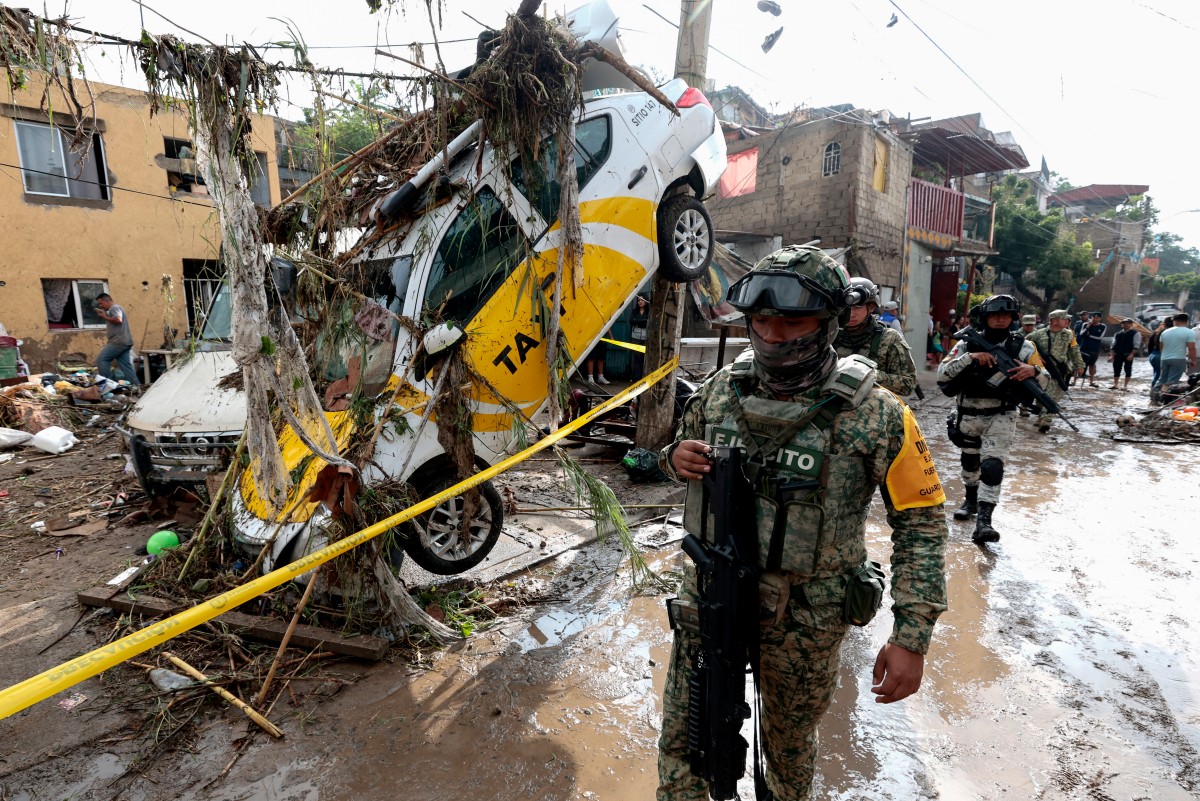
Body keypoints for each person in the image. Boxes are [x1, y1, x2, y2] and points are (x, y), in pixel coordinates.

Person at [656, 245, 948, 801]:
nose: (774, 335)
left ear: (829, 322)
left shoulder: (880, 413)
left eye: (793, 321)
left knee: (787, 759)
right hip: (712, 600)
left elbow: (921, 525)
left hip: (805, 618)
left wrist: (912, 635)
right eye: (762, 320)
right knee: (687, 746)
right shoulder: (720, 392)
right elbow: (680, 453)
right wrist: (677, 460)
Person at [937, 295, 1045, 542]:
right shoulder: (966, 344)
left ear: (1013, 318)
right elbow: (942, 375)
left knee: (992, 466)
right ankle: (971, 500)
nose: (1000, 319)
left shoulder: (1024, 347)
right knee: (970, 460)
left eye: (1006, 315)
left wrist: (1034, 370)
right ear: (985, 317)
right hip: (968, 413)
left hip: (1002, 413)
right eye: (995, 314)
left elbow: (1044, 378)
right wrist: (970, 358)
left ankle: (985, 521)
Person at [833, 276, 918, 395]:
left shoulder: (889, 339)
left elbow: (907, 384)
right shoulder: (830, 334)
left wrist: (866, 374)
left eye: (857, 306)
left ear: (871, 307)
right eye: (847, 308)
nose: (851, 313)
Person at [1026, 310, 1085, 433]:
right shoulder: (1038, 334)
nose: (1067, 321)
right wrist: (1036, 355)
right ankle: (1041, 416)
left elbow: (1074, 351)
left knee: (1054, 395)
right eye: (1064, 319)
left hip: (1059, 370)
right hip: (1040, 370)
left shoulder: (1069, 334)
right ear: (1054, 321)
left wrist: (1079, 365)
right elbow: (1023, 345)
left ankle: (1046, 420)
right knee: (1041, 394)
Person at [94, 293, 140, 388]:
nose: (100, 306)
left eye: (101, 303)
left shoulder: (114, 308)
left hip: (118, 342)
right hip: (125, 342)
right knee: (125, 365)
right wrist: (105, 315)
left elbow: (118, 320)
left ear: (106, 301)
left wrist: (104, 317)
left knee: (101, 360)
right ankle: (136, 386)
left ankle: (108, 385)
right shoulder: (113, 309)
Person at [1151, 313, 1197, 402]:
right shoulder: (1189, 332)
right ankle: (1166, 399)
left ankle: (1154, 396)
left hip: (1164, 359)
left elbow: (1161, 347)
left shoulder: (1165, 332)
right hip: (1178, 359)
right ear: (1186, 321)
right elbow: (1191, 348)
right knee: (1172, 380)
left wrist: (1165, 355)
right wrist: (1193, 360)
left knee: (1162, 379)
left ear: (1175, 321)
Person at [1109, 318, 1141, 391]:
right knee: (1116, 369)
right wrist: (1112, 355)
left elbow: (1136, 344)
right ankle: (1115, 384)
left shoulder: (1135, 333)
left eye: (1128, 323)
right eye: (1124, 323)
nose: (1126, 324)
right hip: (1118, 353)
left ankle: (1125, 385)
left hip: (1128, 353)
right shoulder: (1117, 334)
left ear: (1131, 324)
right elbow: (1113, 344)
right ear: (1121, 324)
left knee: (1128, 369)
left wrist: (1132, 354)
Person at [1076, 312, 1105, 387]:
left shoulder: (1103, 326)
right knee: (1080, 364)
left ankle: (1091, 382)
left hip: (1094, 349)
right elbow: (1081, 334)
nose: (1095, 319)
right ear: (1092, 318)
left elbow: (1100, 338)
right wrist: (1088, 327)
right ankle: (1074, 381)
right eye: (1094, 317)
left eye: (1097, 318)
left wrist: (1090, 335)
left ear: (1100, 319)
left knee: (1092, 365)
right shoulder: (1085, 324)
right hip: (1084, 347)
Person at [629, 295, 649, 379]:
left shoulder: (649, 311)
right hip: (635, 337)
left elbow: (648, 322)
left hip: (646, 338)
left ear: (646, 301)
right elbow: (631, 321)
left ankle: (644, 377)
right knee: (637, 358)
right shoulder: (634, 311)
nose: (640, 302)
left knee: (645, 358)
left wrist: (639, 321)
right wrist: (643, 321)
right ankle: (636, 378)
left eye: (642, 300)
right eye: (639, 300)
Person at [1147, 318, 1168, 389]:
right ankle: (1157, 391)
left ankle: (1153, 390)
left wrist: (1150, 355)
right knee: (1161, 376)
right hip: (1161, 355)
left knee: (1156, 374)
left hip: (1153, 355)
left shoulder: (1156, 332)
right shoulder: (1168, 332)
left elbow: (1149, 345)